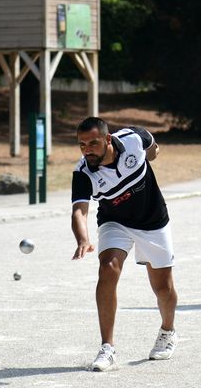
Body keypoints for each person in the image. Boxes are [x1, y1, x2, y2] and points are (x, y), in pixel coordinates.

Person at [71, 117, 178, 371]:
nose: (87, 150)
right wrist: (83, 238)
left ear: (108, 139)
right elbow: (79, 211)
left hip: (153, 221)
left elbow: (153, 149)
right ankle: (107, 348)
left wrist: (152, 154)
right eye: (82, 145)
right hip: (114, 222)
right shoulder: (84, 173)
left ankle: (168, 331)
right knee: (108, 268)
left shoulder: (133, 139)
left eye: (93, 143)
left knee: (163, 287)